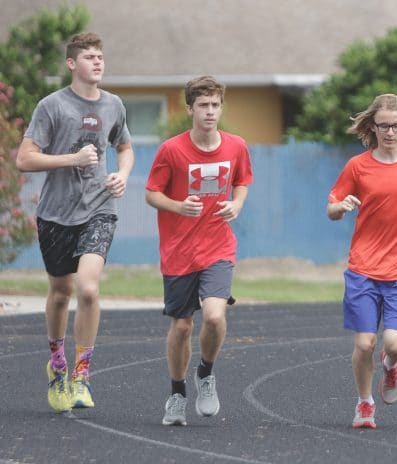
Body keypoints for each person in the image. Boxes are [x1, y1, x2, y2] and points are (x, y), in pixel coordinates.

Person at [16, 32, 134, 413]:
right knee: (61, 293)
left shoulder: (114, 105)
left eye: (101, 56)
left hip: (100, 208)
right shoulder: (52, 106)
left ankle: (82, 376)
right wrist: (71, 159)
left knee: (87, 289)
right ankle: (57, 362)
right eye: (89, 57)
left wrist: (123, 174)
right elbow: (25, 159)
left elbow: (125, 146)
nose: (97, 62)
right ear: (72, 64)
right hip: (55, 214)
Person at [327, 94, 397, 429]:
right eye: (383, 126)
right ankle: (365, 404)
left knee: (394, 344)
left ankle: (391, 367)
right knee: (365, 343)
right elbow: (331, 207)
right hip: (363, 268)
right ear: (373, 127)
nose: (389, 132)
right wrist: (341, 207)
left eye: (395, 126)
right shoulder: (357, 166)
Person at [145, 75, 253, 426]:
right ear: (190, 108)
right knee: (181, 328)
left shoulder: (236, 146)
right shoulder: (172, 150)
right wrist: (178, 207)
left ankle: (205, 373)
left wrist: (236, 205)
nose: (210, 111)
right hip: (178, 251)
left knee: (214, 317)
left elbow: (242, 182)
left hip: (218, 245)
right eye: (203, 105)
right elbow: (151, 194)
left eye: (215, 105)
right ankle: (177, 394)